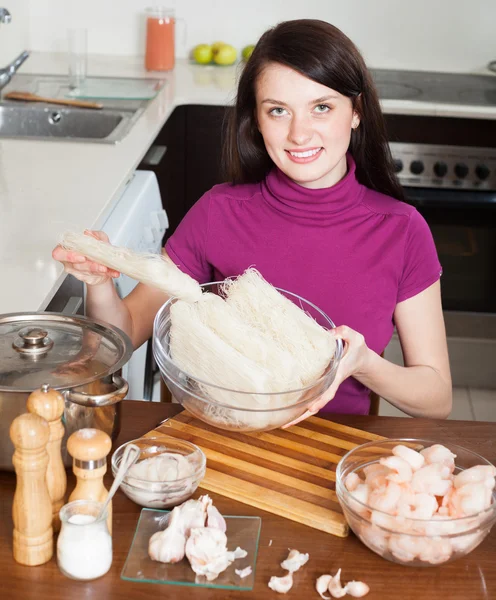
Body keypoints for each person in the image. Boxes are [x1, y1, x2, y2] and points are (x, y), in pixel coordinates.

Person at [53, 19, 452, 421]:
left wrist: (365, 363)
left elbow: (437, 399)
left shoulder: (401, 231)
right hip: (222, 441)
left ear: (356, 112)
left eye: (322, 108)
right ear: (258, 122)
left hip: (335, 454)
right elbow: (125, 333)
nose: (299, 133)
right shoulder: (219, 212)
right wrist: (100, 283)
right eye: (278, 111)